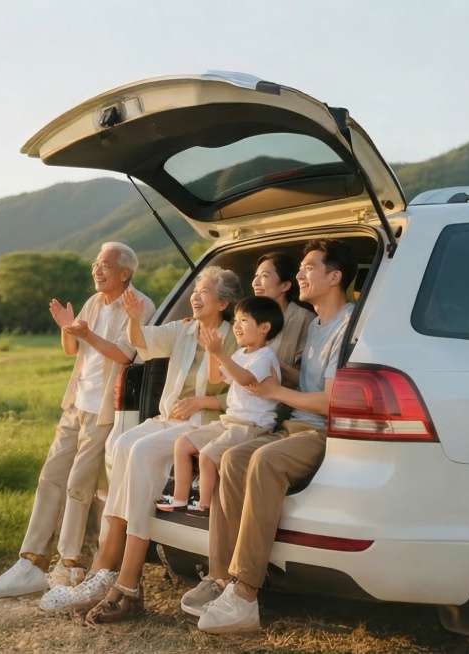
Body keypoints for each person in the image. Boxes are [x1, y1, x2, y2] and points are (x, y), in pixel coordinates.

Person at [36, 266, 241, 616]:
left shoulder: (233, 336)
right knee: (123, 444)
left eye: (203, 291)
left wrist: (204, 401)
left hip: (208, 423)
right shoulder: (184, 329)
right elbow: (142, 343)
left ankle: (122, 579)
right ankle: (107, 572)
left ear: (222, 303)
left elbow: (246, 393)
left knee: (142, 450)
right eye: (194, 289)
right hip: (169, 419)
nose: (194, 295)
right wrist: (133, 318)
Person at [187, 239, 358, 634]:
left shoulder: (348, 326)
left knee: (263, 460)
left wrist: (276, 392)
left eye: (309, 268)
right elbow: (308, 381)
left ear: (335, 277)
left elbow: (333, 401)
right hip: (294, 424)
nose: (300, 274)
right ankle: (220, 579)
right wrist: (275, 370)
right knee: (232, 458)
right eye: (299, 268)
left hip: (320, 432)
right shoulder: (316, 326)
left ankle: (245, 594)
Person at [0, 243, 154, 599]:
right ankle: (31, 562)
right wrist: (66, 328)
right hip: (76, 403)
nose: (97, 269)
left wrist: (86, 333)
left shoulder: (139, 305)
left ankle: (70, 564)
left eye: (104, 265)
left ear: (125, 272)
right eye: (95, 264)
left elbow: (125, 355)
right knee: (50, 476)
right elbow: (73, 350)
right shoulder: (93, 302)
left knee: (79, 483)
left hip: (104, 409)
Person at [167, 296, 285, 522]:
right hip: (230, 421)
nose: (237, 326)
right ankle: (179, 501)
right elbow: (215, 377)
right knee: (183, 443)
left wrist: (219, 353)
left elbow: (245, 379)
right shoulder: (241, 354)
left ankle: (204, 507)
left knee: (208, 456)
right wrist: (212, 352)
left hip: (252, 426)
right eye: (237, 320)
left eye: (243, 321)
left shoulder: (265, 356)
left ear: (264, 327)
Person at [250, 252, 314, 387]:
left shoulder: (305, 320)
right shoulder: (248, 319)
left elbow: (309, 378)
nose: (255, 283)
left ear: (285, 285)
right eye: (256, 276)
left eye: (264, 276)